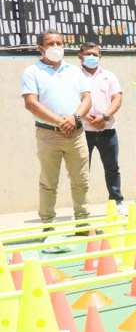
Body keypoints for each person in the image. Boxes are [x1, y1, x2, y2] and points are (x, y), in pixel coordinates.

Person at [21, 30, 91, 225]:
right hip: (48, 135)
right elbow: (31, 103)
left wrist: (75, 118)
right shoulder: (32, 72)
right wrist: (61, 122)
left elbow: (87, 98)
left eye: (59, 43)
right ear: (40, 48)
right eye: (51, 43)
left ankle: (83, 222)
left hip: (76, 133)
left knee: (81, 180)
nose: (56, 47)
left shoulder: (74, 70)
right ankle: (48, 224)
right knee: (48, 182)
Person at [78, 43, 127, 216]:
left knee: (112, 168)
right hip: (83, 131)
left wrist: (104, 116)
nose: (92, 57)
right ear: (80, 56)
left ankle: (117, 202)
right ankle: (81, 206)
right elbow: (71, 99)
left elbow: (117, 98)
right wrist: (85, 116)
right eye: (88, 54)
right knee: (82, 171)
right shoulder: (74, 76)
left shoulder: (109, 76)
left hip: (108, 129)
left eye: (95, 54)